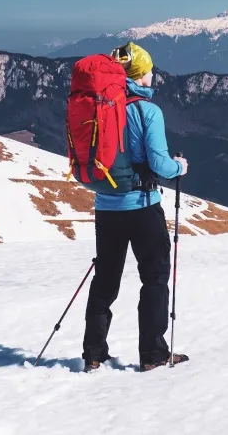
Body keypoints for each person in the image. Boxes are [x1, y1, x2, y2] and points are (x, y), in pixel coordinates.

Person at [82, 41, 190, 373]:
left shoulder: (99, 106)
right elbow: (158, 163)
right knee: (155, 278)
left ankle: (93, 354)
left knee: (106, 279)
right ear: (140, 74)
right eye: (149, 70)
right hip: (143, 206)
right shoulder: (147, 110)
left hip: (106, 207)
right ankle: (153, 355)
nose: (153, 75)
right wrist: (179, 167)